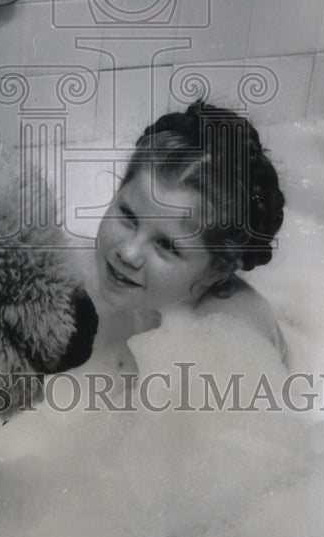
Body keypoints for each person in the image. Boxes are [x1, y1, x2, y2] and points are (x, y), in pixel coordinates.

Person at [94, 100, 287, 358]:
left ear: (216, 271)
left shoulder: (225, 350)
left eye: (165, 245)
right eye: (128, 216)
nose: (128, 252)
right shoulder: (103, 276)